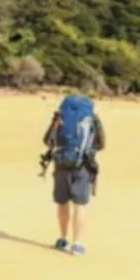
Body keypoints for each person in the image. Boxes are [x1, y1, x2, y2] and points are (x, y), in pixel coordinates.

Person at [42, 94, 105, 256]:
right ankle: (77, 244)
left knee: (62, 203)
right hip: (82, 165)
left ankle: (62, 239)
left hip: (61, 164)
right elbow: (101, 143)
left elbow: (47, 140)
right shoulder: (92, 119)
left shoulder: (60, 116)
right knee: (80, 205)